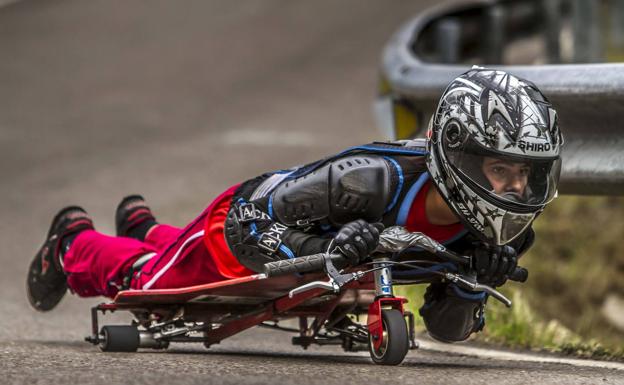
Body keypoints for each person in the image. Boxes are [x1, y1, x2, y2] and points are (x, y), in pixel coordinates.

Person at [27, 68, 562, 343]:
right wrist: (325, 247)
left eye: (524, 173)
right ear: (458, 153)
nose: (515, 189)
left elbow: (446, 329)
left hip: (289, 253)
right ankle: (73, 243)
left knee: (168, 251)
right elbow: (250, 223)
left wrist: (470, 284)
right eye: (500, 169)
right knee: (150, 286)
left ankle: (146, 227)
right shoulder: (367, 183)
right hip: (242, 226)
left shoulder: (494, 228)